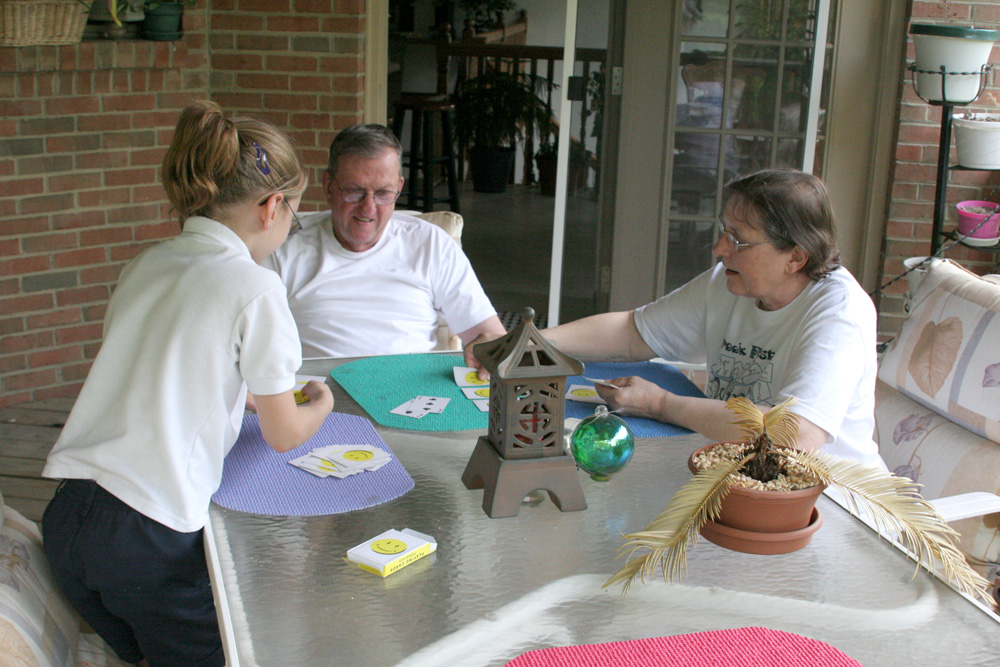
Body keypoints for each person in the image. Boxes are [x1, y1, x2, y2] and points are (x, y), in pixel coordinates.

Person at [41, 100, 334, 667]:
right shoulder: (255, 288)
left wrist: (235, 393)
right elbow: (284, 435)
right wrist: (318, 404)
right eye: (294, 217)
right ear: (272, 206)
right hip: (147, 534)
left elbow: (158, 364)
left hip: (70, 515)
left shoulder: (145, 263)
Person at [466, 168, 883, 468]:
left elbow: (795, 437)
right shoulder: (729, 282)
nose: (719, 248)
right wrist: (526, 340)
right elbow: (633, 333)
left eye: (738, 240)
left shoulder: (839, 314)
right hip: (738, 476)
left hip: (830, 505)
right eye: (724, 231)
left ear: (796, 256)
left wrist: (660, 404)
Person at [264, 123, 506, 358]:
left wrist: (493, 347)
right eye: (354, 191)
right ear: (328, 186)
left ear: (399, 188)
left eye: (383, 194)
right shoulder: (283, 247)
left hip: (413, 390)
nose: (368, 208)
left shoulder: (431, 244)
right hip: (318, 392)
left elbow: (492, 340)